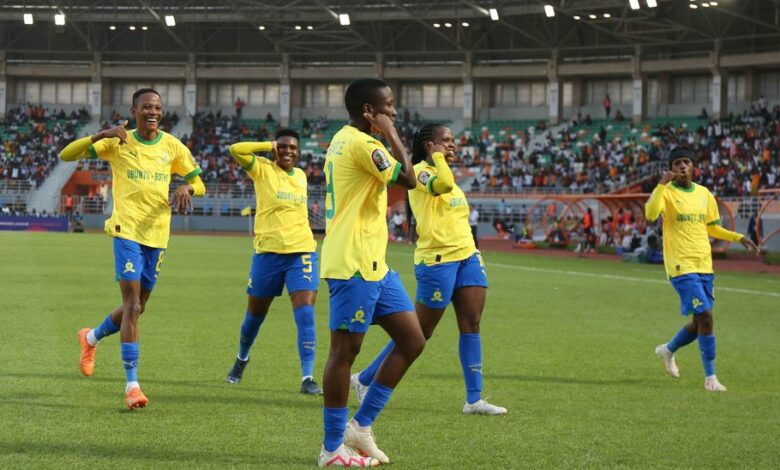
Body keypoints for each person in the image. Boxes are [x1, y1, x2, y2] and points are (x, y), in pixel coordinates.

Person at [60, 88, 206, 409]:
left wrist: (186, 186)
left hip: (158, 235)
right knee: (131, 305)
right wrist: (101, 134)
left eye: (157, 107)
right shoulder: (118, 141)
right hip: (126, 231)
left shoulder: (172, 146)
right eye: (146, 107)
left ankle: (90, 337)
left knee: (138, 307)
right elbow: (66, 155)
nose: (153, 112)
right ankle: (132, 386)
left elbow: (200, 181)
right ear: (134, 110)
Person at [351, 123, 507, 416]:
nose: (452, 145)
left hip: (467, 257)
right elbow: (444, 185)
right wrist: (436, 157)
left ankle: (474, 400)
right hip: (437, 261)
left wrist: (472, 252)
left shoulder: (445, 172)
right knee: (419, 333)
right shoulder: (420, 171)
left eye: (452, 140)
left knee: (471, 323)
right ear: (428, 145)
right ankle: (364, 379)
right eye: (445, 141)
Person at [318, 78, 425, 467]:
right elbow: (410, 179)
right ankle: (331, 449)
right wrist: (391, 131)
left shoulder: (345, 139)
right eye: (388, 106)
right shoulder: (363, 143)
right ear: (369, 111)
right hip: (352, 263)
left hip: (374, 264)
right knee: (344, 354)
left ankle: (359, 428)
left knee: (412, 340)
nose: (394, 112)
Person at [646, 147, 759, 392]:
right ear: (671, 169)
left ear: (694, 166)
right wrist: (660, 186)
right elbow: (651, 213)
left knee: (700, 323)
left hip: (704, 265)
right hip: (680, 265)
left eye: (686, 162)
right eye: (677, 164)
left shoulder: (704, 194)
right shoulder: (666, 192)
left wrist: (739, 237)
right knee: (706, 315)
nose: (682, 167)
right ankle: (711, 378)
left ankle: (667, 350)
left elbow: (713, 228)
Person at [223, 129, 322, 395]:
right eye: (283, 146)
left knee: (305, 313)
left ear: (299, 153)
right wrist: (268, 145)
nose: (288, 151)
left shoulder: (301, 176)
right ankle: (242, 359)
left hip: (302, 252)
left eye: (293, 148)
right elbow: (235, 149)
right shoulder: (263, 168)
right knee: (254, 317)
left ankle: (308, 377)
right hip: (268, 254)